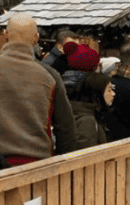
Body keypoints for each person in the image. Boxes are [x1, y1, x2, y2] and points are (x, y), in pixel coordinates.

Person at [0, 12, 67, 164]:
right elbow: (64, 127)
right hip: (37, 162)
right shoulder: (49, 76)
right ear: (35, 39)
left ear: (6, 35)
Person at [68, 61, 116, 149]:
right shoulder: (87, 120)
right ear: (97, 93)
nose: (113, 94)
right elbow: (87, 155)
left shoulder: (83, 113)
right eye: (109, 90)